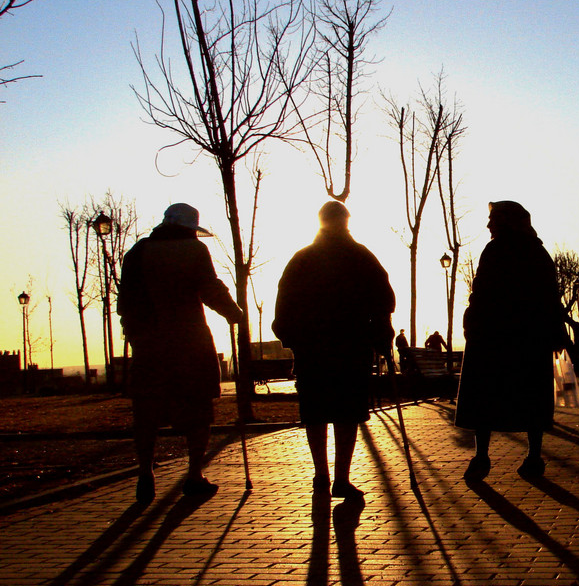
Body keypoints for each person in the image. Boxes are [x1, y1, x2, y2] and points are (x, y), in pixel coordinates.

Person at [118, 202, 243, 503]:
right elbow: (209, 288)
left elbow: (125, 303)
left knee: (147, 412)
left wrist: (134, 335)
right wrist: (232, 312)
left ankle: (146, 470)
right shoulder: (194, 250)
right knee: (198, 409)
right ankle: (194, 474)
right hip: (190, 342)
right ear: (191, 229)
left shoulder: (137, 252)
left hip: (149, 345)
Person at [272, 200, 395, 500]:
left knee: (314, 412)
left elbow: (283, 304)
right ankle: (341, 477)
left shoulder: (302, 258)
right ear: (346, 222)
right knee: (346, 413)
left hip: (312, 348)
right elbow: (384, 299)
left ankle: (321, 475)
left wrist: (292, 338)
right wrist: (381, 334)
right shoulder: (360, 256)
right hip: (351, 346)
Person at [455, 201, 568, 480]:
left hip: (493, 338)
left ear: (506, 221)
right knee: (532, 396)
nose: (488, 225)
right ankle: (533, 457)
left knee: (484, 397)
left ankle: (481, 456)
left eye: (493, 219)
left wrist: (472, 320)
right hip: (532, 340)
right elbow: (552, 300)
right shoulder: (539, 253)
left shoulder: (495, 251)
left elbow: (480, 292)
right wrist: (556, 337)